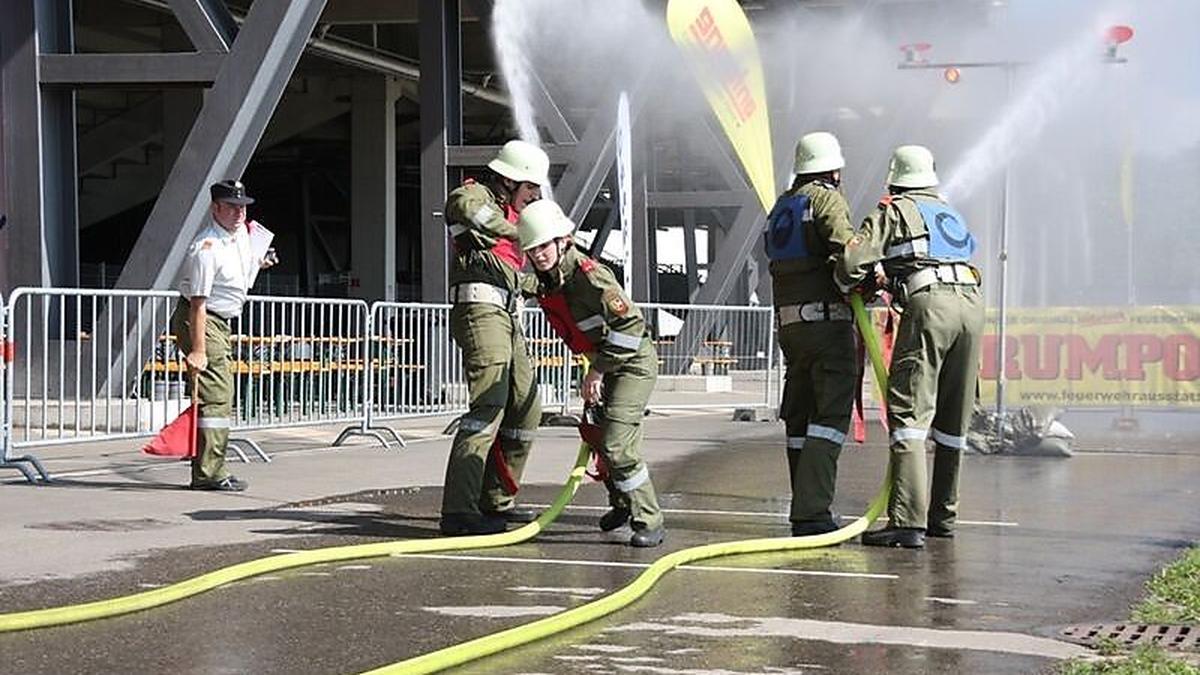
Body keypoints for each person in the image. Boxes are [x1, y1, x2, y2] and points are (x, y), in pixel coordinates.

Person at [835, 145, 985, 548]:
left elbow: (851, 265)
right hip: (971, 305)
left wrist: (856, 283)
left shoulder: (895, 209)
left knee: (910, 416)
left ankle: (907, 522)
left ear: (895, 179)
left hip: (931, 305)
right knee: (953, 422)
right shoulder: (948, 211)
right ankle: (943, 517)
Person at [517, 200, 666, 548]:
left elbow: (631, 324)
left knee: (617, 443)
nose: (538, 255)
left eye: (543, 246)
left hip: (631, 363)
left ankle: (650, 519)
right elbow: (529, 285)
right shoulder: (549, 278)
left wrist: (597, 372)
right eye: (532, 249)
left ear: (563, 241)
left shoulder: (589, 275)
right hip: (603, 363)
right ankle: (622, 505)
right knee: (598, 437)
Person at [440, 140, 549, 536]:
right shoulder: (474, 195)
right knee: (490, 404)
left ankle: (496, 500)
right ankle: (459, 511)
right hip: (481, 310)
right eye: (531, 187)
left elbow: (513, 275)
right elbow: (463, 208)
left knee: (527, 404)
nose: (535, 195)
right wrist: (522, 232)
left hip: (507, 312)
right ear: (508, 179)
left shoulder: (507, 213)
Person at [766, 132, 858, 536]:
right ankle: (813, 513)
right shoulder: (826, 200)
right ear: (833, 170)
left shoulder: (783, 206)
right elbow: (848, 255)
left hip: (792, 329)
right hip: (826, 325)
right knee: (829, 417)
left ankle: (801, 503)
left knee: (799, 419)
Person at [172, 179, 275, 491]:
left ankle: (210, 468)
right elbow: (198, 305)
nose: (238, 213)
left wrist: (262, 261)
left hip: (220, 321)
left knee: (218, 396)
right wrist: (199, 350)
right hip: (204, 321)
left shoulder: (239, 238)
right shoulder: (207, 248)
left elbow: (243, 268)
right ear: (215, 208)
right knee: (216, 397)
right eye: (231, 206)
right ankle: (208, 473)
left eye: (242, 207)